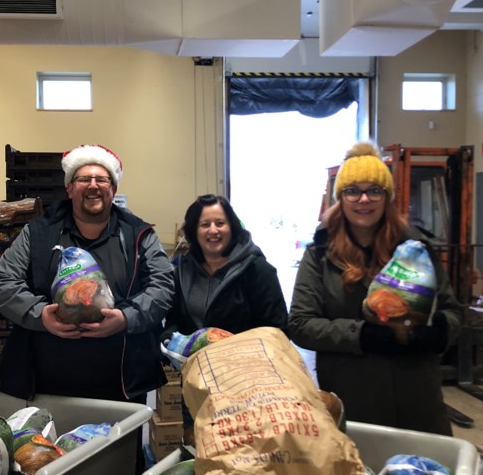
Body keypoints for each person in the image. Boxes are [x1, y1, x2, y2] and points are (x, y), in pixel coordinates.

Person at [287, 142, 462, 436]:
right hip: (354, 395)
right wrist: (362, 335)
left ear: (387, 196)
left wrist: (439, 331)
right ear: (340, 197)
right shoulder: (319, 253)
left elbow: (452, 311)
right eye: (353, 190)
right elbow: (301, 324)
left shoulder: (416, 248)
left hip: (416, 394)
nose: (363, 199)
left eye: (374, 190)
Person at [0, 144, 175, 406]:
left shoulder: (139, 234)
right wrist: (39, 314)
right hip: (46, 382)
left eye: (102, 179)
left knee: (118, 446)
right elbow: (1, 280)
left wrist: (125, 318)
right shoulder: (38, 232)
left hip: (122, 380)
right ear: (69, 188)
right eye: (84, 179)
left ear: (114, 189)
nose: (93, 185)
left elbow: (162, 287)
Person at [163, 194, 288, 340]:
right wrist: (169, 340)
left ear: (232, 227)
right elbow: (174, 320)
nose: (213, 230)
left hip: (247, 360)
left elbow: (277, 329)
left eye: (220, 223)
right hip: (193, 360)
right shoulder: (183, 271)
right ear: (194, 231)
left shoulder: (258, 270)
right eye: (205, 224)